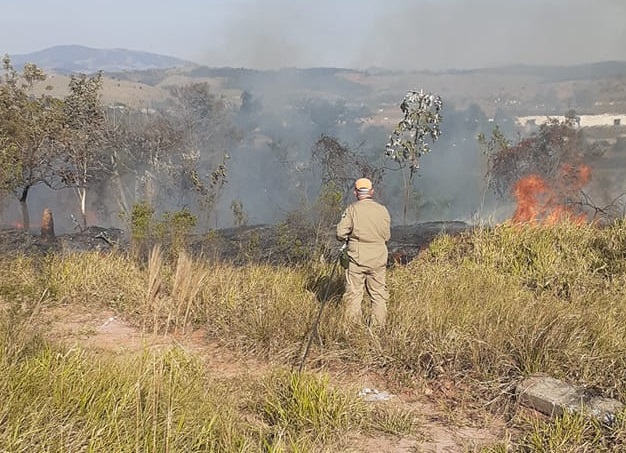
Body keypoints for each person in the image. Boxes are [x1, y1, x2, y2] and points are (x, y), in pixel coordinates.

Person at [336, 177, 391, 328]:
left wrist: (349, 238)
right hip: (378, 259)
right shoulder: (383, 210)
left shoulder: (352, 210)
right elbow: (387, 236)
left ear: (355, 193)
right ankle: (378, 328)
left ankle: (352, 329)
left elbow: (340, 233)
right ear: (372, 192)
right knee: (378, 295)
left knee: (354, 294)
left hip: (357, 259)